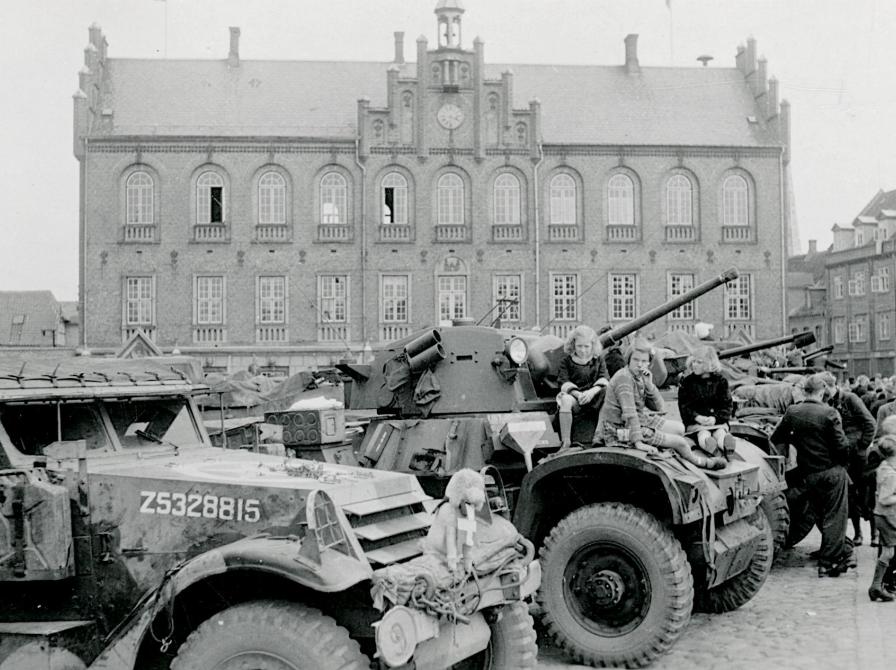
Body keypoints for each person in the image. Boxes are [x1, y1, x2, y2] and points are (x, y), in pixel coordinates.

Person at [770, 373, 852, 577]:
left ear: (805, 390)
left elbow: (776, 438)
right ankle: (829, 563)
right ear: (822, 391)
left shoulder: (793, 412)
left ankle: (842, 553)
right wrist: (842, 462)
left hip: (808, 473)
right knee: (834, 517)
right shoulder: (829, 413)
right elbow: (842, 447)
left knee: (819, 514)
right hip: (832, 472)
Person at [597, 339, 726, 469]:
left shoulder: (638, 377)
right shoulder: (624, 379)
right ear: (629, 359)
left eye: (644, 361)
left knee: (679, 429)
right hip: (619, 429)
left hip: (638, 421)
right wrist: (639, 442)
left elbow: (660, 407)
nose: (640, 365)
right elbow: (630, 414)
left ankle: (672, 447)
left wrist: (649, 385)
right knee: (680, 442)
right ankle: (701, 462)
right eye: (636, 360)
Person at [820, 371, 876, 546]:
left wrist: (861, 445)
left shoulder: (850, 398)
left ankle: (874, 535)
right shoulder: (827, 402)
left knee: (866, 494)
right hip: (842, 457)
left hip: (858, 457)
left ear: (831, 386)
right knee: (850, 496)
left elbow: (870, 423)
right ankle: (858, 533)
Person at [556, 325, 609, 450]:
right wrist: (578, 395)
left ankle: (599, 434)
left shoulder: (598, 360)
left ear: (593, 346)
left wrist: (591, 392)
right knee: (565, 400)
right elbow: (563, 382)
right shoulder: (567, 362)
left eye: (587, 346)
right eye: (579, 346)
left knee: (607, 393)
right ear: (573, 345)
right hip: (576, 398)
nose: (583, 350)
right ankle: (566, 441)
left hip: (595, 398)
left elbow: (604, 378)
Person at [677, 345, 736, 454]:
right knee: (703, 434)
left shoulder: (721, 382)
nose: (694, 365)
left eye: (699, 362)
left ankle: (725, 444)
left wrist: (715, 418)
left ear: (710, 364)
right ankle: (710, 446)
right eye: (693, 361)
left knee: (720, 433)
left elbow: (727, 407)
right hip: (696, 424)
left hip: (717, 422)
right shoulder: (687, 383)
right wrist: (697, 417)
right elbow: (684, 407)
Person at [868, 435, 896, 601]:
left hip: (882, 515)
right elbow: (885, 498)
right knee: (888, 552)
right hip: (888, 516)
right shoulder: (891, 474)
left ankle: (878, 585)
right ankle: (877, 585)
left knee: (888, 551)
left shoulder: (884, 466)